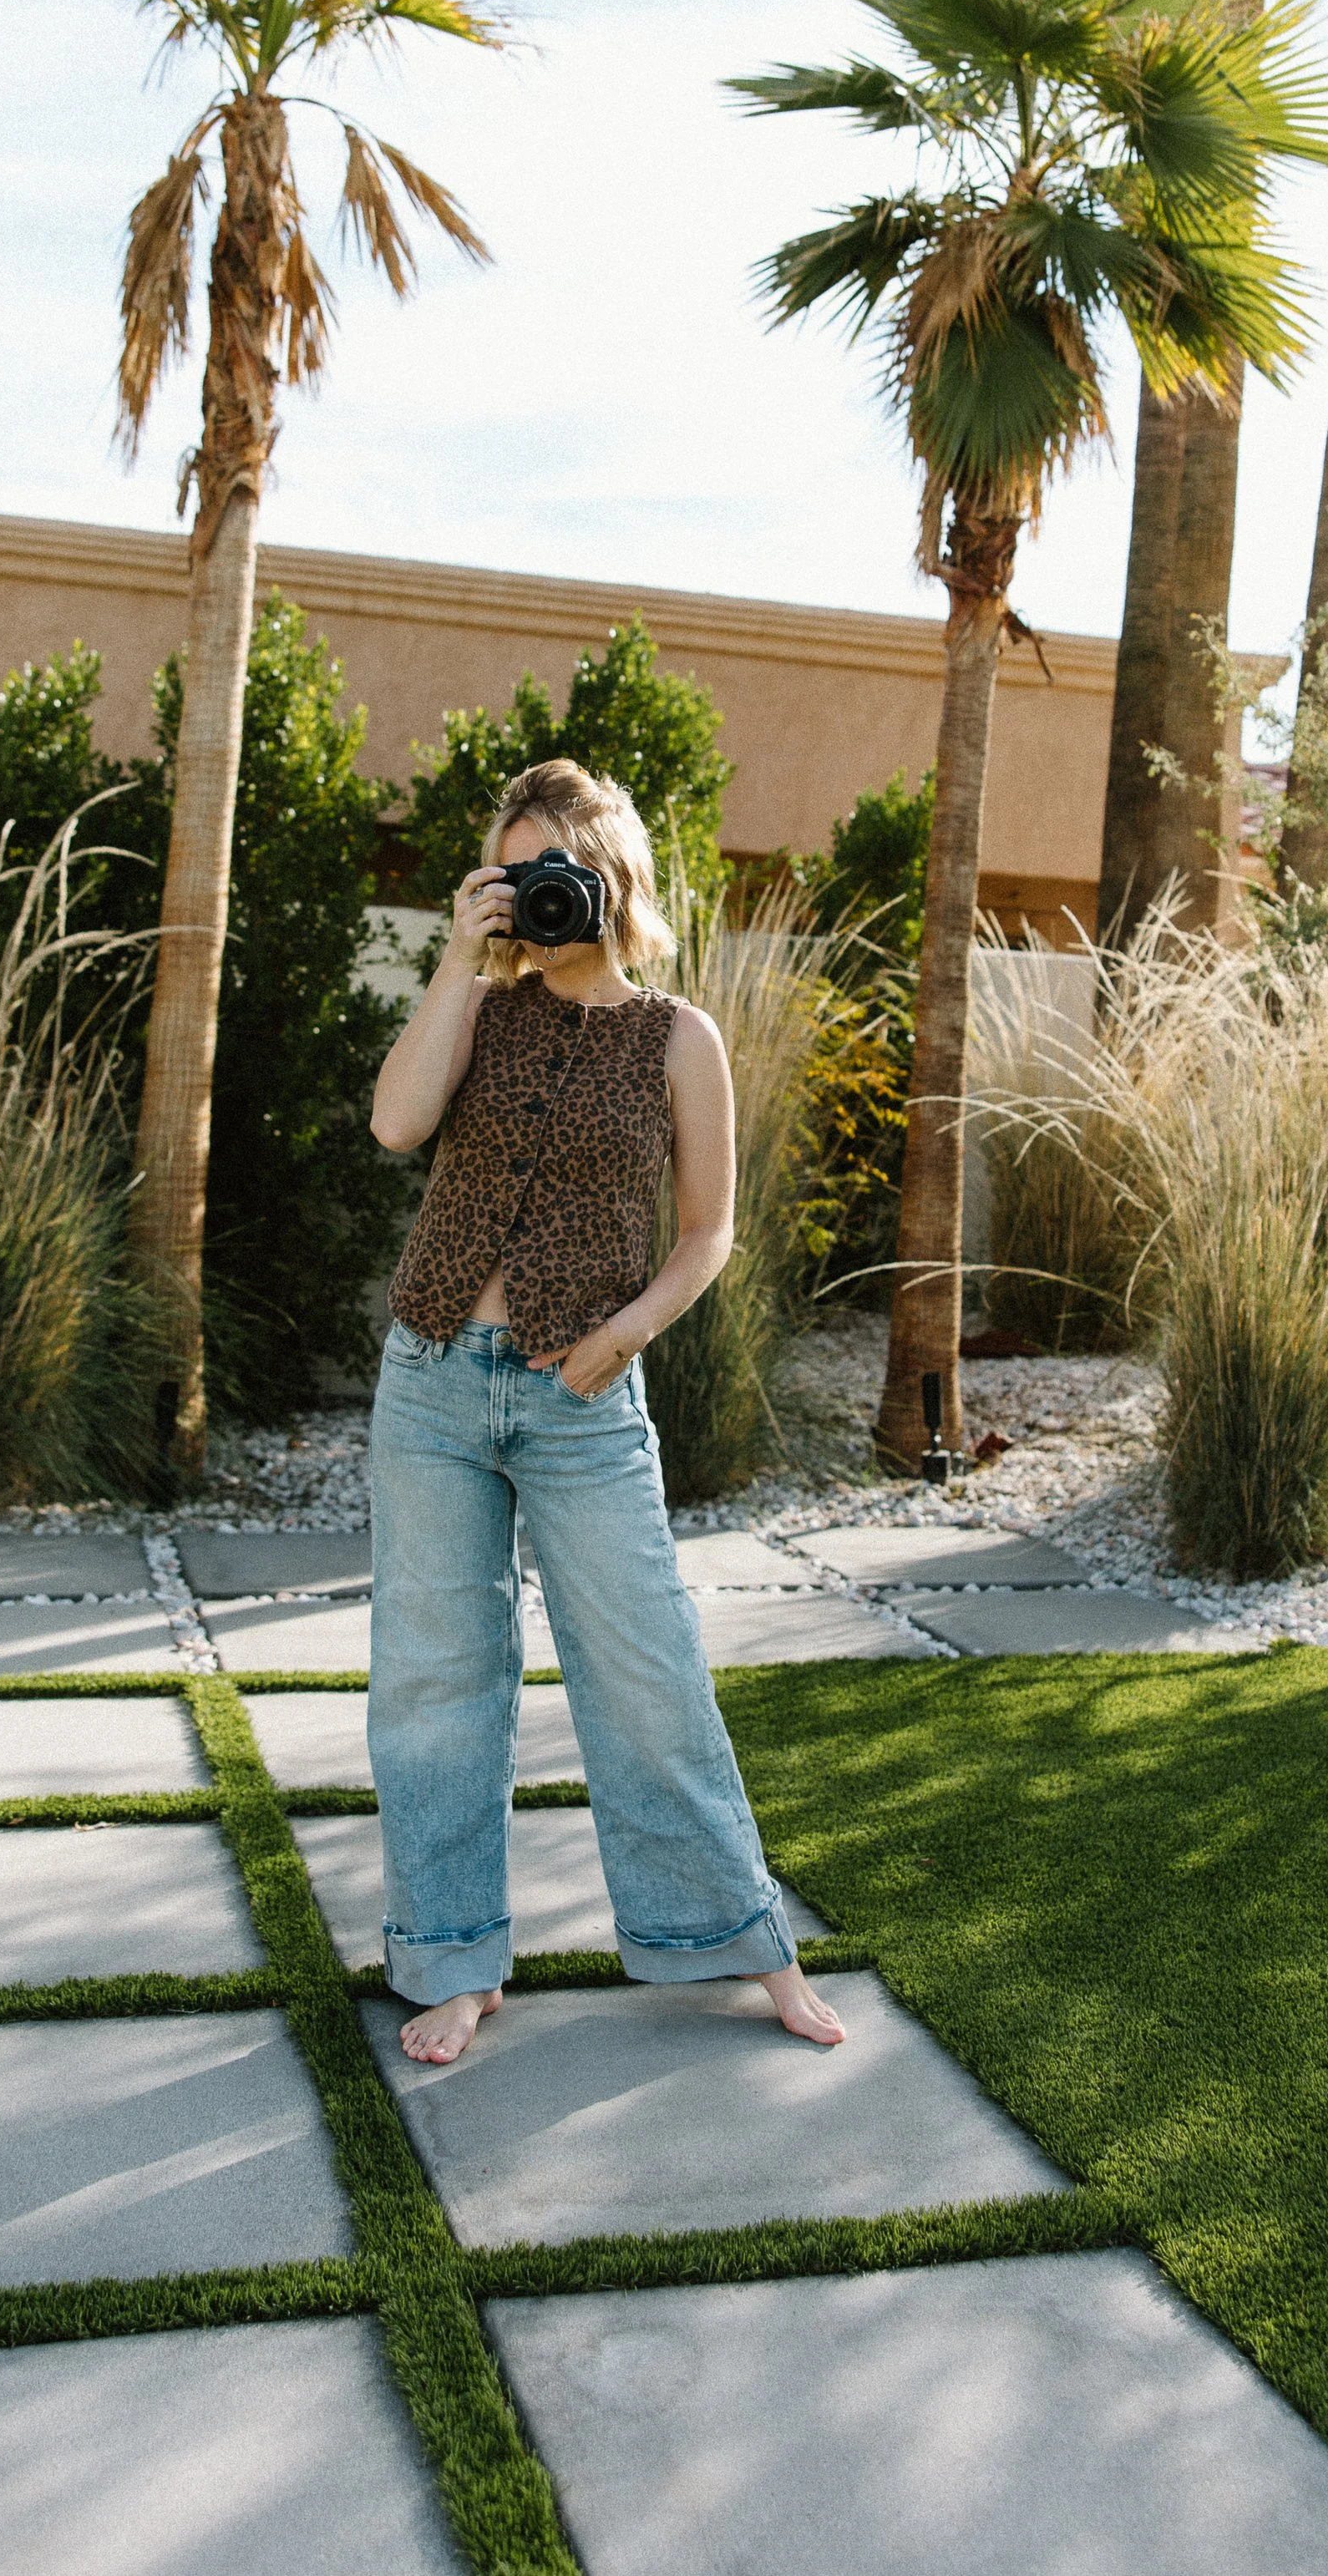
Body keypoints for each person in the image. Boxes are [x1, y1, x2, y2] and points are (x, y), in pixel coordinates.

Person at [365, 756, 845, 2066]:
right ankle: (453, 1961)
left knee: (647, 1669)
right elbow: (396, 1122)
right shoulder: (482, 1004)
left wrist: (626, 1332)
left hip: (584, 1400)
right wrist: (461, 964)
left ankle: (746, 1943)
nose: (533, 894)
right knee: (435, 1679)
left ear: (608, 871)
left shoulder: (679, 1036)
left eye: (551, 869)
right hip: (433, 1383)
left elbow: (709, 1233)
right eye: (509, 872)